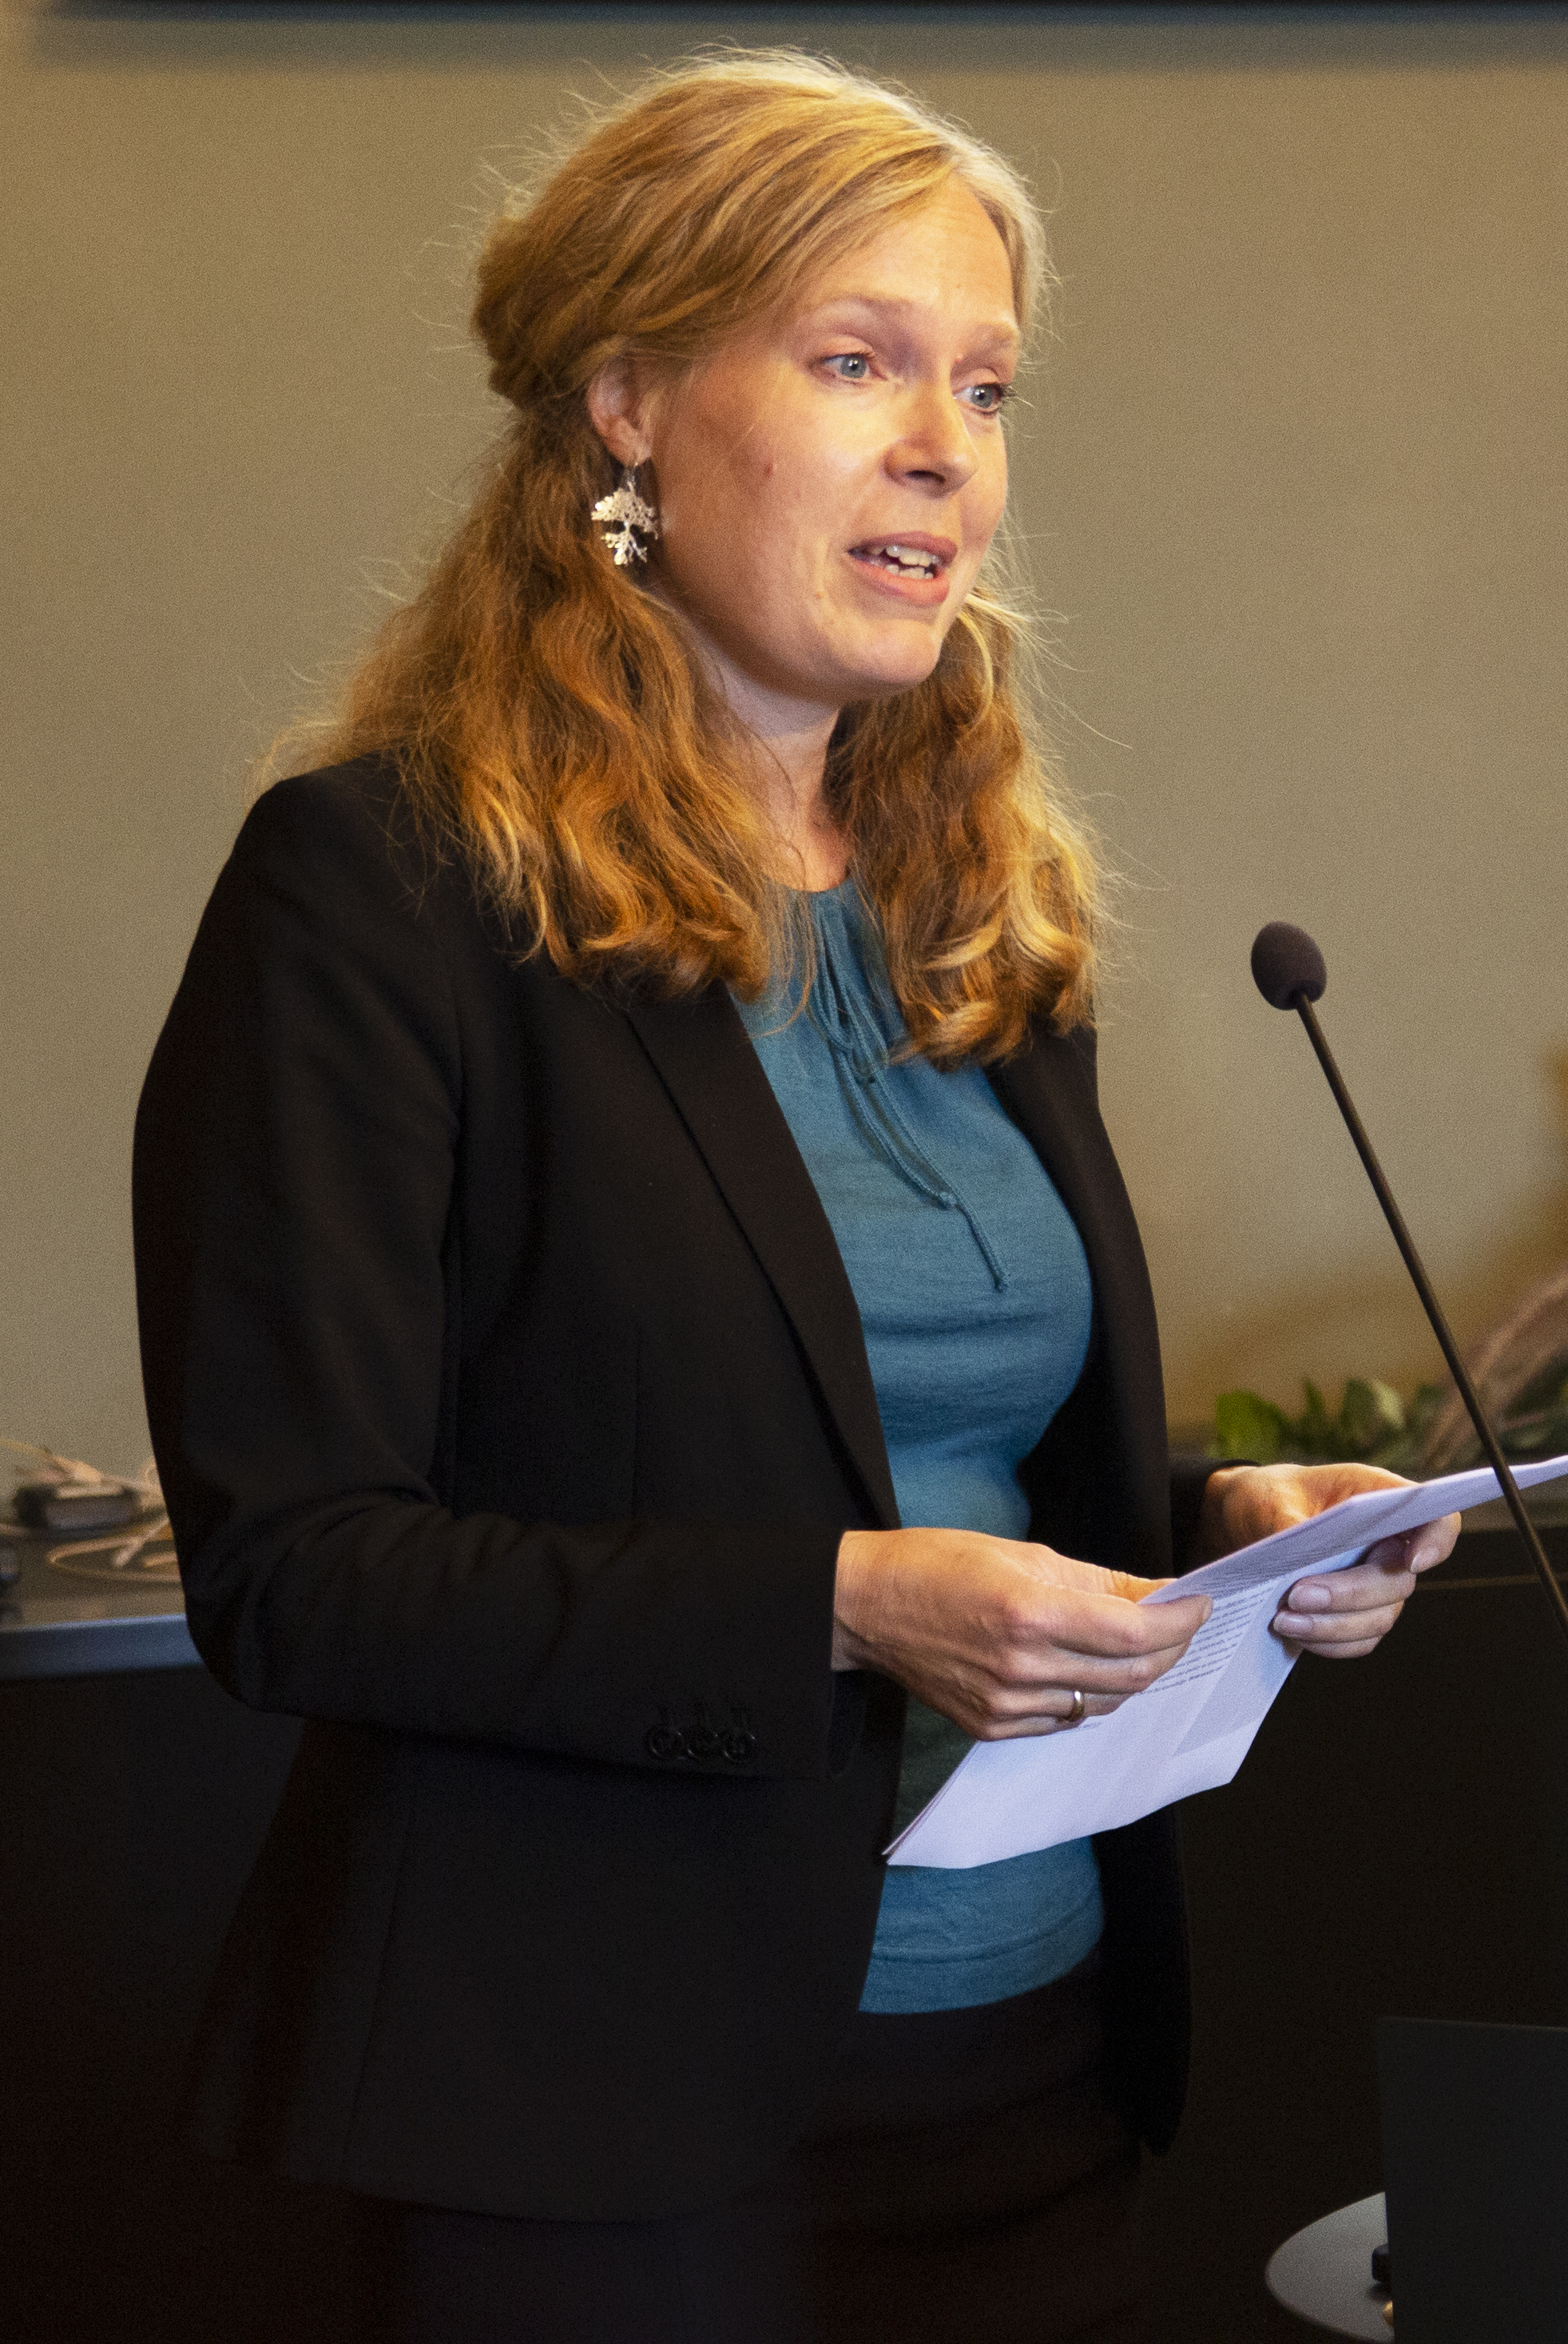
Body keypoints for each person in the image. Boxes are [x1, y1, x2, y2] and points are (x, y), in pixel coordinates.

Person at [131, 53, 1451, 2342]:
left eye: (987, 384)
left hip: (1032, 2068)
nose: (949, 448)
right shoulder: (378, 891)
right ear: (625, 400)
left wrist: (1220, 1521)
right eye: (856, 363)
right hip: (590, 2126)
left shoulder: (976, 902)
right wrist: (838, 1602)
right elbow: (301, 1569)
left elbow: (896, 1458)